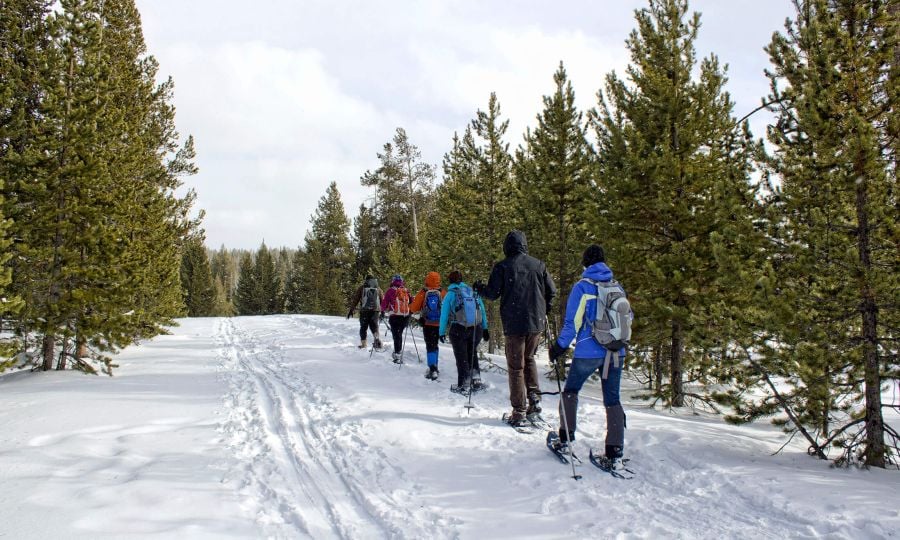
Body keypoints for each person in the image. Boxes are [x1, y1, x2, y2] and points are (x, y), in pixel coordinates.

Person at [548, 244, 628, 460]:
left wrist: (559, 346)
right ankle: (615, 449)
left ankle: (565, 438)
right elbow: (628, 318)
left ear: (585, 262)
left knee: (571, 390)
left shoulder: (583, 287)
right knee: (612, 399)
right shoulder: (617, 286)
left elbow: (572, 322)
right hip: (615, 350)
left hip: (588, 350)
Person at [474, 230, 556, 426]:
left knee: (516, 366)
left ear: (507, 246)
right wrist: (545, 310)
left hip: (515, 322)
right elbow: (551, 291)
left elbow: (493, 294)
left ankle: (519, 411)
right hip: (535, 321)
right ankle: (534, 401)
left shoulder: (503, 267)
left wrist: (479, 288)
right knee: (529, 360)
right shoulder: (538, 265)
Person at [439, 270, 489, 394]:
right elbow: (481, 310)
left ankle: (464, 384)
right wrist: (485, 328)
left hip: (458, 329)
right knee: (472, 352)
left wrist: (441, 332)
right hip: (476, 328)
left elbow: (444, 315)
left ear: (450, 281)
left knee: (461, 357)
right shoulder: (472, 291)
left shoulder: (450, 294)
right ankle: (476, 380)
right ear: (461, 280)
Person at [407, 271, 446, 380]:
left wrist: (410, 309)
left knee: (430, 345)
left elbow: (414, 308)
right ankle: (435, 366)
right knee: (435, 344)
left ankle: (432, 368)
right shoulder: (442, 292)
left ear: (427, 279)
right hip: (439, 324)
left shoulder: (424, 292)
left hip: (427, 323)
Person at [380, 274, 411, 364]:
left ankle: (397, 354)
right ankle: (398, 351)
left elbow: (385, 303)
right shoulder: (406, 290)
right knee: (399, 334)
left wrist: (382, 311)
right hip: (404, 317)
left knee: (396, 335)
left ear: (393, 281)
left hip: (394, 316)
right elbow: (412, 302)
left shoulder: (390, 291)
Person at [347, 275, 383, 350]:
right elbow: (382, 300)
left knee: (363, 327)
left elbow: (356, 299)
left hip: (364, 311)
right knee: (374, 327)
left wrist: (351, 310)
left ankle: (363, 344)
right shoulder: (378, 288)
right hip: (375, 311)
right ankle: (377, 342)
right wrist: (382, 311)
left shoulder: (362, 287)